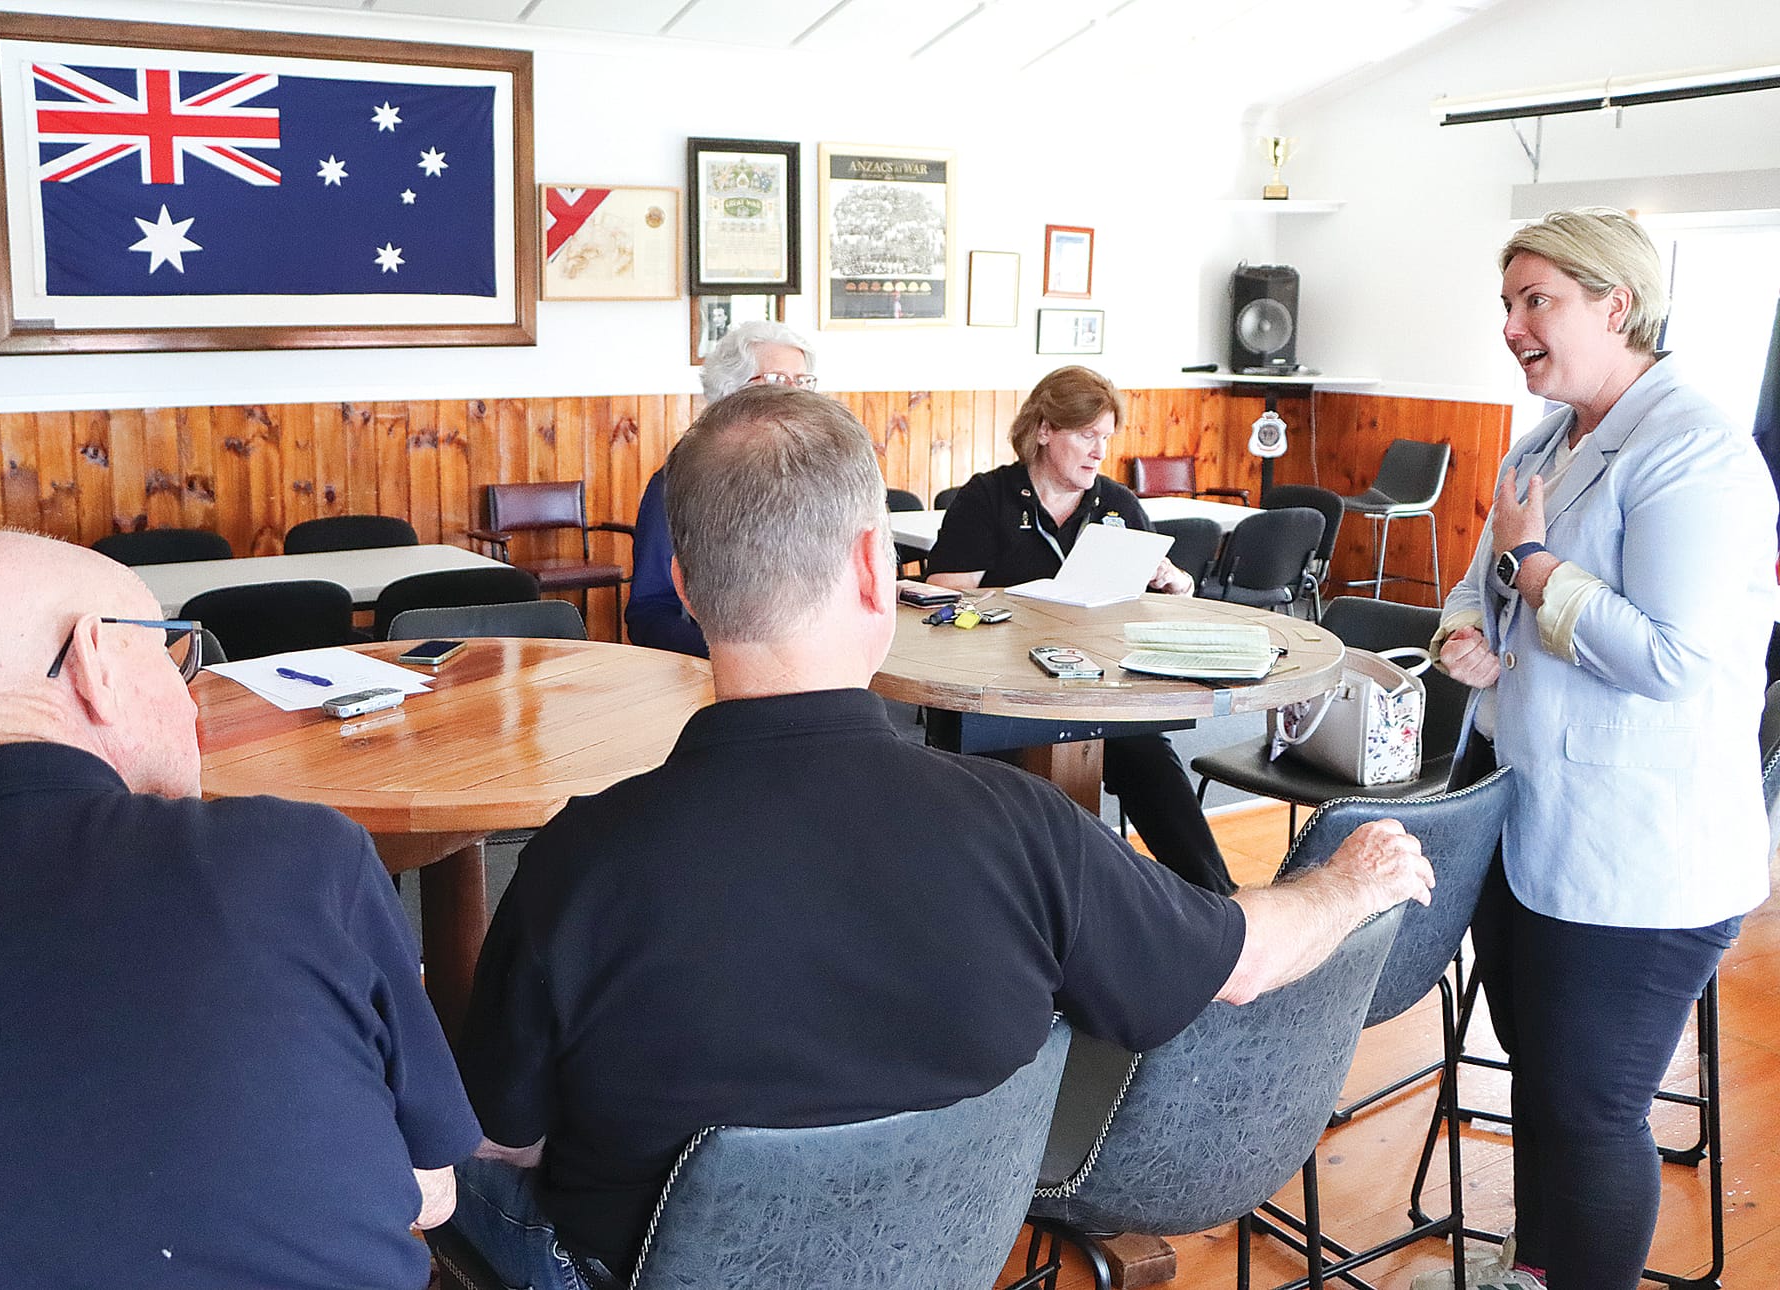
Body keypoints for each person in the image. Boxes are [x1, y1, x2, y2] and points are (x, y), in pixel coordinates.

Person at [448, 384, 1435, 1289]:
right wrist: (1353, 878)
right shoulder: (1028, 832)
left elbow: (510, 1137)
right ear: (876, 568)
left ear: (686, 586)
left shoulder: (579, 863)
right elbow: (1243, 960)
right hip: (941, 1258)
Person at [0, 531, 481, 1290]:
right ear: (92, 661)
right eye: (172, 653)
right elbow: (431, 1188)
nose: (188, 696)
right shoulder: (299, 857)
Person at [1420, 209, 1777, 1290]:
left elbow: (1676, 660)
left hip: (1639, 859)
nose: (1513, 327)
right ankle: (1535, 1275)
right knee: (1542, 1088)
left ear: (1614, 306)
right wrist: (1460, 632)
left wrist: (1534, 572)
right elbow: (1476, 579)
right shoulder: (1543, 439)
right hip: (1531, 828)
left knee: (1589, 1108)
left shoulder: (1693, 452)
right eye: (1506, 305)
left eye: (1537, 302)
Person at [925, 365, 1238, 895]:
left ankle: (1219, 904)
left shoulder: (1115, 504)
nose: (1099, 451)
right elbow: (945, 589)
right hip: (1002, 691)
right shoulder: (990, 497)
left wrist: (1175, 582)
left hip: (1095, 689)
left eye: (1106, 439)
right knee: (1002, 796)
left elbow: (1160, 600)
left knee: (1150, 761)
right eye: (1086, 436)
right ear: (1044, 429)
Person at [625, 319, 818, 655]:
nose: (794, 394)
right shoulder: (676, 484)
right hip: (718, 668)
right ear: (730, 391)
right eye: (776, 380)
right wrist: (732, 655)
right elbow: (649, 610)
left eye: (802, 382)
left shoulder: (824, 477)